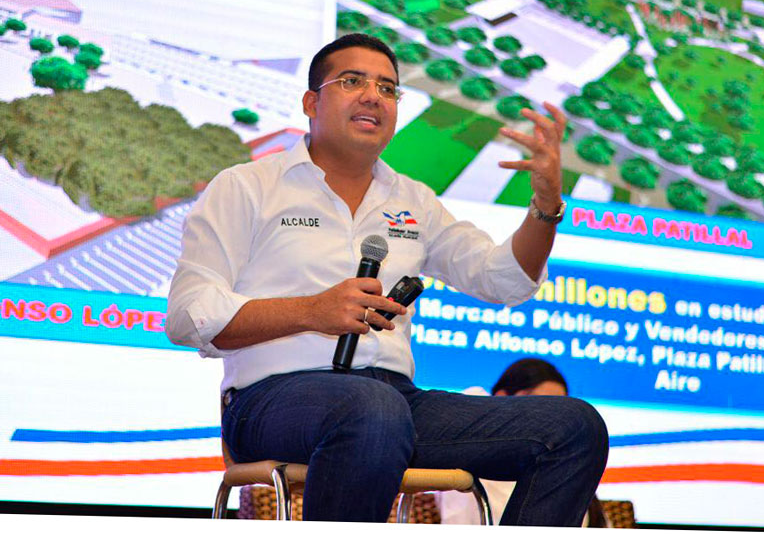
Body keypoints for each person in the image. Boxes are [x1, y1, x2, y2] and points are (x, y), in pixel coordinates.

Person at [166, 33, 608, 524]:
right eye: (352, 81)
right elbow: (187, 314)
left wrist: (545, 204)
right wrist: (310, 311)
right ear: (311, 102)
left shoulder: (413, 200)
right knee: (371, 409)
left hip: (396, 401)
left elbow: (503, 280)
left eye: (387, 88)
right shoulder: (247, 187)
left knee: (574, 428)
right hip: (271, 400)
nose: (373, 96)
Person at [439, 358, 611, 527]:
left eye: (562, 414)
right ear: (501, 398)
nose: (553, 423)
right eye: (540, 408)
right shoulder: (471, 457)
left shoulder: (567, 468)